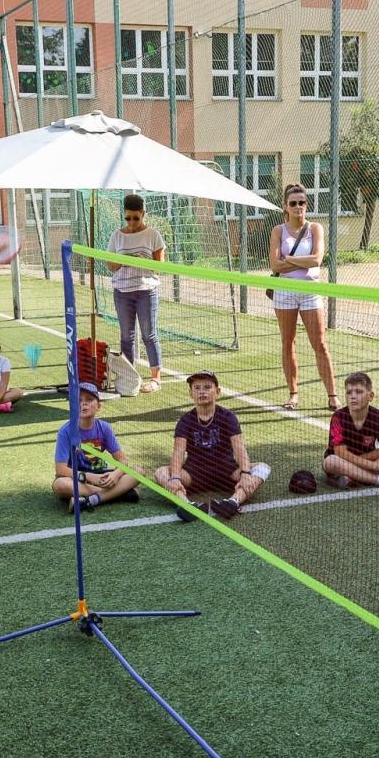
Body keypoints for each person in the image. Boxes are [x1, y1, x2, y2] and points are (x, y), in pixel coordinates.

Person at [154, 370, 270, 520]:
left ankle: (233, 502)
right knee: (161, 472)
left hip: (227, 471)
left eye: (207, 387)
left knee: (263, 468)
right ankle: (187, 505)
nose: (202, 391)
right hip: (194, 474)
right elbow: (178, 452)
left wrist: (246, 474)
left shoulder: (228, 417)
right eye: (197, 388)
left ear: (217, 391)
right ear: (191, 394)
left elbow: (239, 448)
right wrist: (175, 477)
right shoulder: (185, 420)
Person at [269, 183, 339, 412]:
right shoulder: (278, 231)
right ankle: (293, 394)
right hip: (284, 292)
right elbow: (275, 265)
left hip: (310, 291)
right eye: (293, 203)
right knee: (288, 343)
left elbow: (317, 260)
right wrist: (301, 262)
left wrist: (289, 259)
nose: (298, 206)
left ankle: (333, 396)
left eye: (302, 202)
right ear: (285, 206)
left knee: (320, 344)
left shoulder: (315, 228)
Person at [106, 193, 166, 393]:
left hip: (146, 290)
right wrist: (124, 260)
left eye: (135, 218)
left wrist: (142, 260)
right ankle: (129, 377)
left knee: (149, 334)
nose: (131, 223)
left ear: (143, 214)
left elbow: (160, 266)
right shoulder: (117, 236)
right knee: (126, 336)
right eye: (127, 218)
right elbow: (110, 266)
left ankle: (156, 379)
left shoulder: (153, 235)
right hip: (122, 291)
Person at [52, 382, 142, 512]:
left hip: (101, 474)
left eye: (89, 399)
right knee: (60, 485)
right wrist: (89, 477)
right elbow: (61, 470)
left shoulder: (105, 428)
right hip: (77, 477)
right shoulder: (65, 431)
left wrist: (116, 475)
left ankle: (90, 500)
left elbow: (122, 460)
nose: (84, 404)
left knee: (139, 472)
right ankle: (118, 493)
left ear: (98, 406)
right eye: (79, 400)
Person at [323, 371, 379, 488]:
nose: (353, 396)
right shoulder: (338, 417)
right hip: (341, 460)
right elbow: (340, 453)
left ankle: (353, 477)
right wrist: (373, 466)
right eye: (349, 392)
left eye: (359, 392)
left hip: (363, 458)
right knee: (330, 462)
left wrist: (366, 461)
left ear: (370, 396)